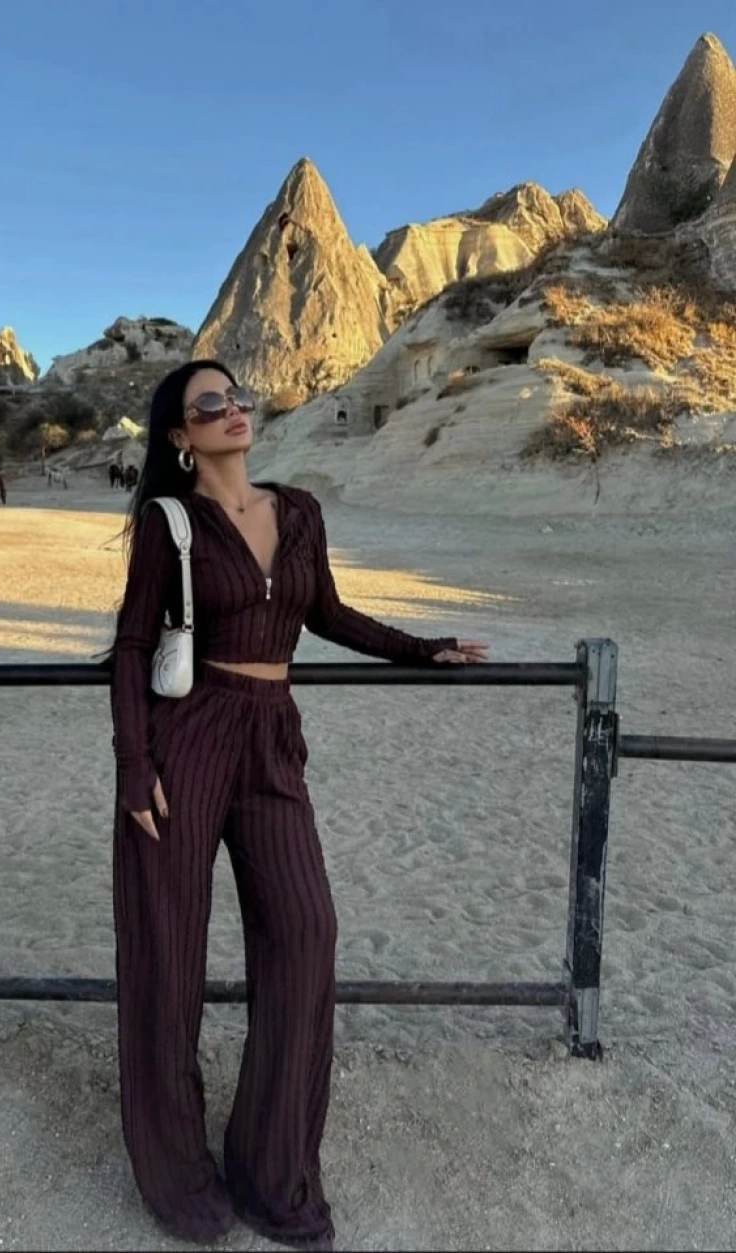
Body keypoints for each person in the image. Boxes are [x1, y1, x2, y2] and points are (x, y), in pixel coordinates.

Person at [109, 360, 488, 1251]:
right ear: (181, 436)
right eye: (210, 405)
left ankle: (272, 1172)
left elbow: (331, 614)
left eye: (237, 396)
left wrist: (421, 647)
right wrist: (133, 765)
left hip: (273, 735)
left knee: (307, 933)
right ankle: (178, 1178)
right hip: (188, 738)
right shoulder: (171, 523)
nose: (233, 410)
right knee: (168, 956)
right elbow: (129, 646)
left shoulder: (301, 511)